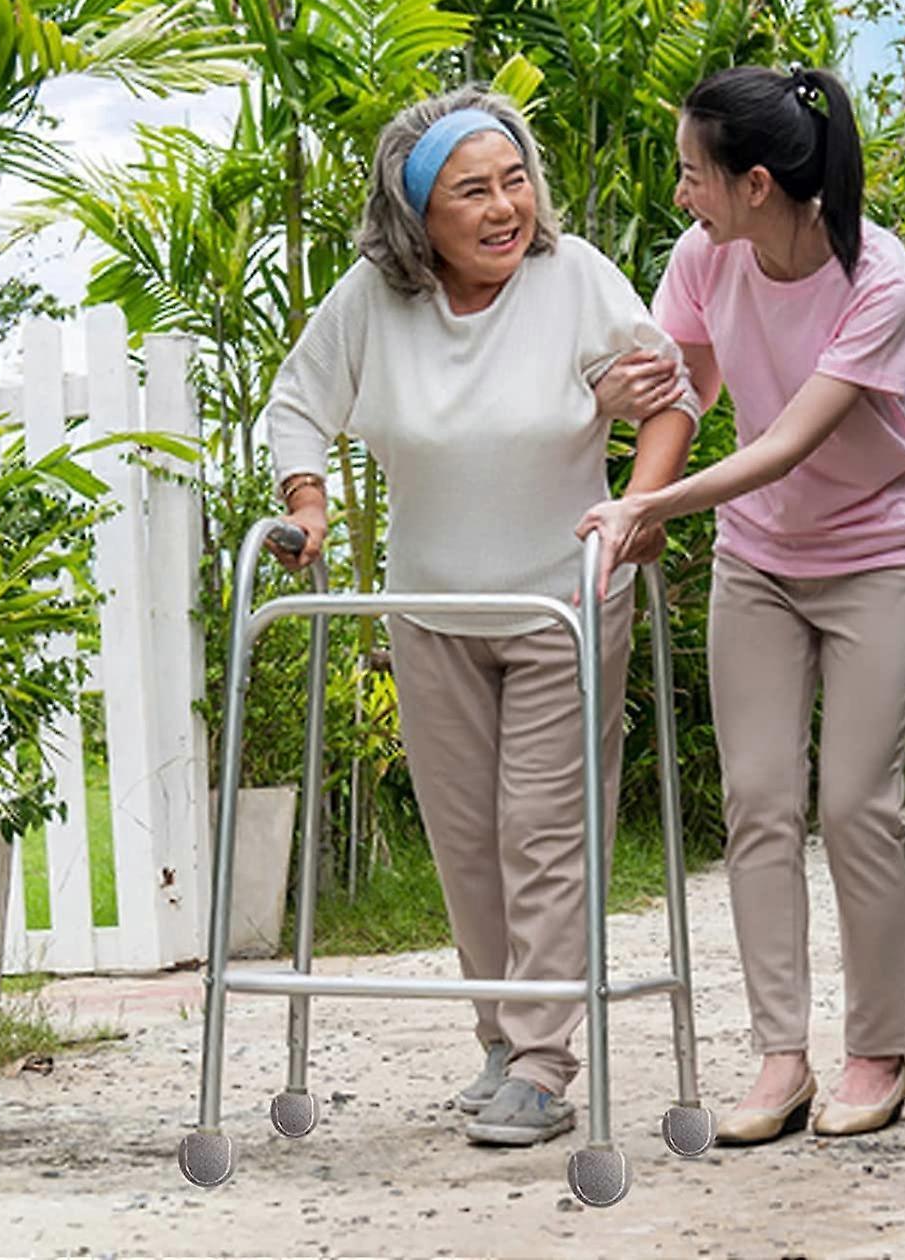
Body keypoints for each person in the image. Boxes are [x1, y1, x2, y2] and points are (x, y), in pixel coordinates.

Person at [265, 85, 698, 1147]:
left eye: (515, 180)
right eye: (473, 190)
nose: (506, 206)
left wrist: (635, 507)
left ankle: (548, 1066)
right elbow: (298, 401)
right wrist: (306, 501)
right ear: (420, 216)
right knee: (467, 841)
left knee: (545, 834)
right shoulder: (374, 298)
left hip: (563, 602)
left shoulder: (573, 276)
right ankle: (503, 1038)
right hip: (431, 606)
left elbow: (670, 394)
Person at [579, 64, 905, 1145]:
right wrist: (630, 470)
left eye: (693, 174)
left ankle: (876, 1051)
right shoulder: (703, 258)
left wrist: (658, 509)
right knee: (758, 804)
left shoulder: (876, 276)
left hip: (879, 556)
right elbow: (684, 395)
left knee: (854, 810)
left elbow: (790, 439)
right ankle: (781, 1058)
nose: (680, 194)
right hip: (759, 563)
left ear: (754, 184)